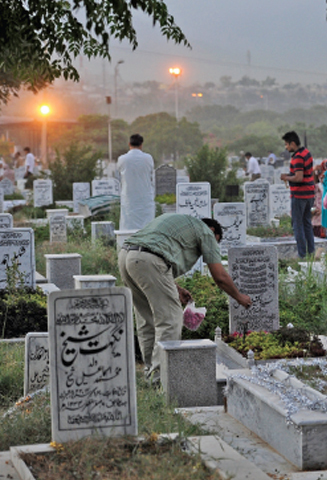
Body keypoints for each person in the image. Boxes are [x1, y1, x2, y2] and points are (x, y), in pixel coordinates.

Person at [118, 214, 252, 380]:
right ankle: (161, 377)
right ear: (212, 231)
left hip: (126, 256)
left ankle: (150, 372)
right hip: (149, 260)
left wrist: (176, 288)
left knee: (147, 319)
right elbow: (220, 277)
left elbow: (156, 253)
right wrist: (239, 297)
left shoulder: (181, 222)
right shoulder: (207, 232)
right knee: (171, 319)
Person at [280, 131, 315, 257]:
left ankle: (302, 254)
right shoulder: (307, 152)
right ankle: (311, 252)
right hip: (309, 193)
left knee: (297, 225)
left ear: (292, 143)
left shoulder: (298, 157)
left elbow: (299, 177)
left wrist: (286, 177)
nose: (286, 147)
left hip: (300, 195)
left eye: (286, 144)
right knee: (306, 223)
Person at [118, 133, 155, 230]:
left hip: (129, 198)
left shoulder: (122, 159)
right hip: (145, 198)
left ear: (129, 144)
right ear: (141, 145)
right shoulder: (148, 158)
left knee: (128, 226)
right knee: (147, 227)